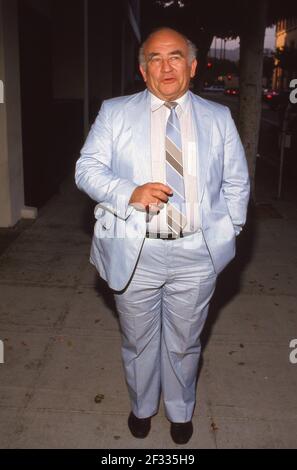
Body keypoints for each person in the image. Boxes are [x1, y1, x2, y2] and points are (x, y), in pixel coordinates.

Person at [75, 27, 250, 445]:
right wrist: (128, 193)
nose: (166, 66)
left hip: (196, 254)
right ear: (143, 69)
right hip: (137, 252)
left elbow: (237, 183)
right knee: (138, 341)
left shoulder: (218, 117)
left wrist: (227, 234)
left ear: (191, 66)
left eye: (175, 57)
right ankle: (141, 406)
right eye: (155, 58)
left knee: (185, 342)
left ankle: (180, 410)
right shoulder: (115, 112)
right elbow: (87, 169)